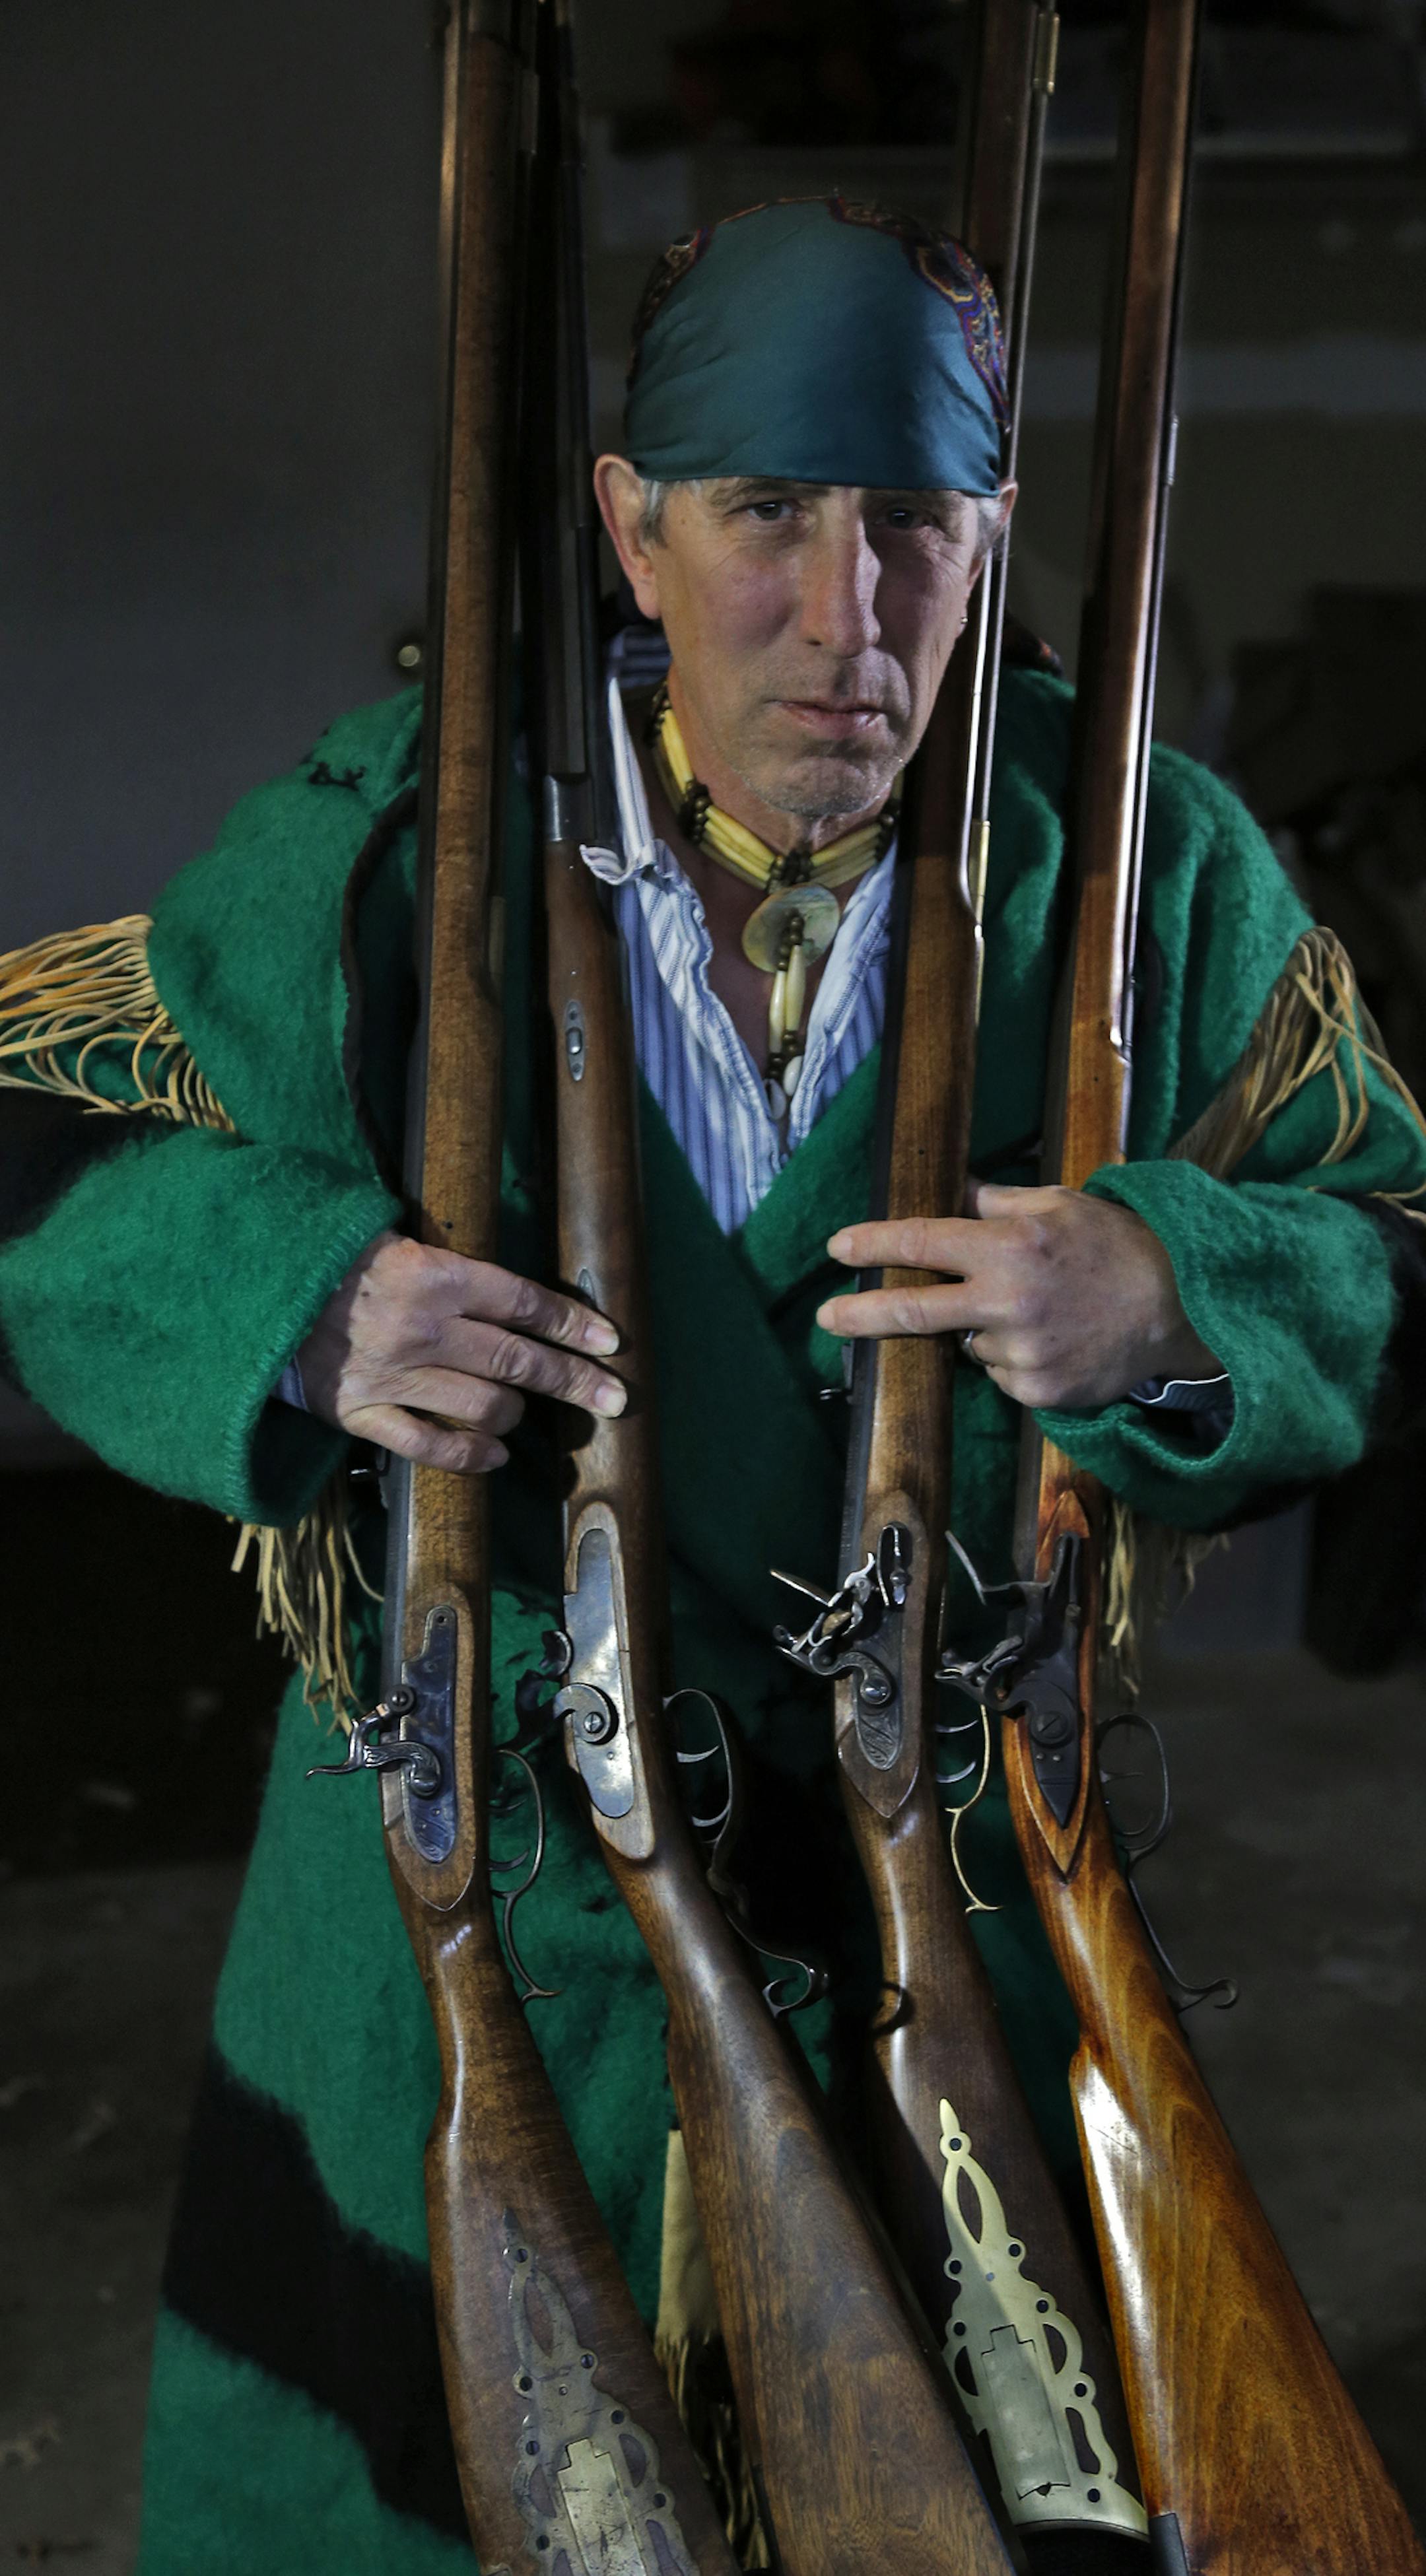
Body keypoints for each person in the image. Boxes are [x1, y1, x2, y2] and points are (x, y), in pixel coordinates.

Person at [2, 197, 1423, 2575]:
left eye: (915, 532)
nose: (847, 624)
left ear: (988, 541)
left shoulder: (1149, 874)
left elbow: (1389, 1240)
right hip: (469, 1944)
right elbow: (53, 1167)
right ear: (626, 528)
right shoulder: (385, 861)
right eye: (766, 516)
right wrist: (300, 1296)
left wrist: (1171, 1293)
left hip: (956, 1927)